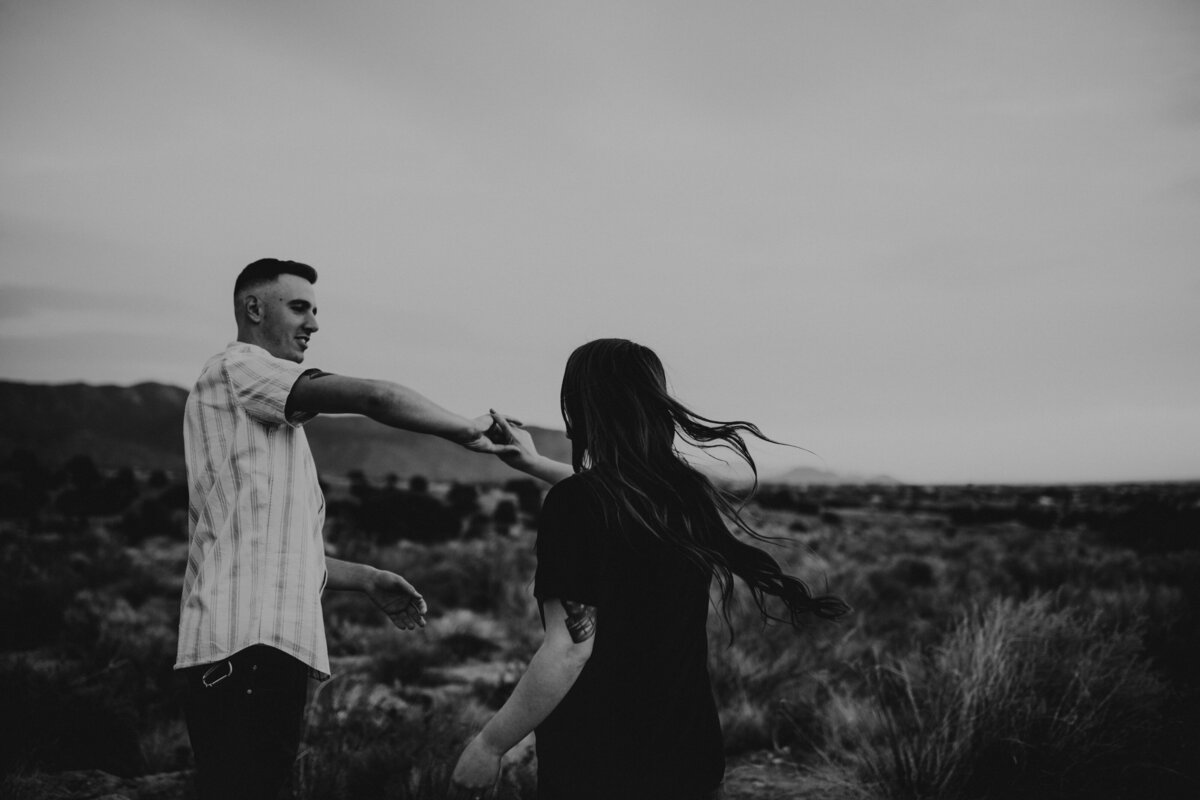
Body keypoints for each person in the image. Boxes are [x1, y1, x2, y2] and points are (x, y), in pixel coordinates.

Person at [175, 258, 519, 800]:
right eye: (299, 307)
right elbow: (372, 398)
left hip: (255, 650)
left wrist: (368, 577)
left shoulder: (263, 420)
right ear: (254, 308)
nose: (313, 324)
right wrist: (465, 428)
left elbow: (278, 550)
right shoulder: (237, 369)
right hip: (243, 650)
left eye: (315, 311)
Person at [449, 338, 850, 800]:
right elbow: (621, 496)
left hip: (602, 766)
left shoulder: (576, 505)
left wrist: (490, 745)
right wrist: (533, 462)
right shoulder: (684, 495)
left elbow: (569, 650)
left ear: (581, 406)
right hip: (692, 757)